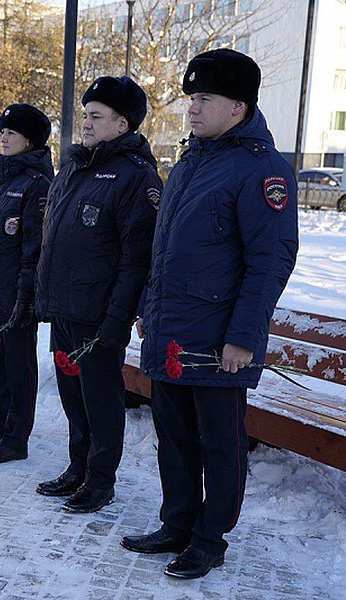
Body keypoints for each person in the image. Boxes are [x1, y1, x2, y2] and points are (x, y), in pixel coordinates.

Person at [121, 49, 298, 579]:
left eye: (205, 99)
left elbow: (269, 262)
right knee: (173, 436)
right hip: (173, 332)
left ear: (238, 107)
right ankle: (176, 522)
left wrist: (243, 336)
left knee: (220, 444)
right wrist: (150, 313)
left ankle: (209, 537)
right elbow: (166, 252)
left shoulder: (262, 170)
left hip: (220, 339)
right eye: (191, 98)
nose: (192, 109)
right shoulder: (192, 161)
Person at [34, 76, 161, 513]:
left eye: (97, 116)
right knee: (72, 396)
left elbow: (136, 258)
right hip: (65, 307)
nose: (85, 123)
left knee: (100, 400)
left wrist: (117, 317)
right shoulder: (75, 167)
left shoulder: (136, 177)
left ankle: (100, 481)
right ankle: (78, 468)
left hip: (98, 313)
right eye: (85, 114)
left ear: (122, 124)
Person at [0, 104, 54, 463]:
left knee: (18, 371)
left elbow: (33, 249)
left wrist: (25, 297)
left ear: (29, 141)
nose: (2, 138)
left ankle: (16, 438)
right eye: (1, 132)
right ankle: (0, 430)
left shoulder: (36, 185)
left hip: (15, 299)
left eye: (11, 134)